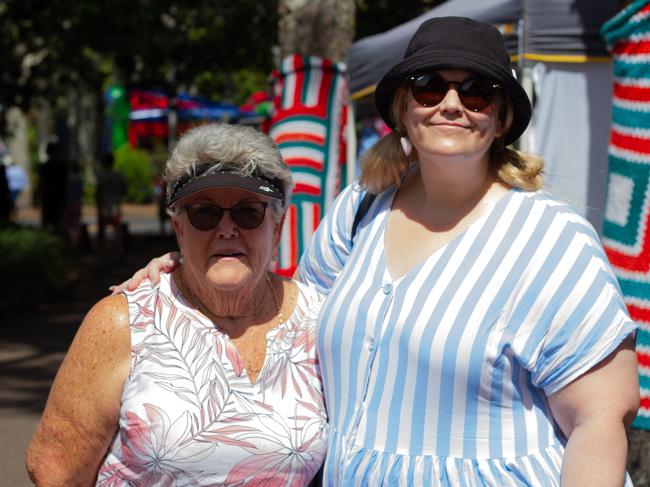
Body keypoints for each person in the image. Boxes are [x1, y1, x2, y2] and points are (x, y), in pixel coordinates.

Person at [111, 17, 640, 486]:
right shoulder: (359, 212)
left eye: (477, 92)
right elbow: (286, 317)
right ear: (402, 109)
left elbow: (599, 419)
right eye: (429, 87)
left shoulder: (552, 237)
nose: (451, 104)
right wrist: (187, 275)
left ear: (500, 118)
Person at [26, 124, 327, 485]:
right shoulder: (125, 321)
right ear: (179, 227)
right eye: (204, 213)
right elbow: (54, 470)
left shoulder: (319, 322)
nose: (227, 229)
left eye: (249, 213)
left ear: (277, 226)